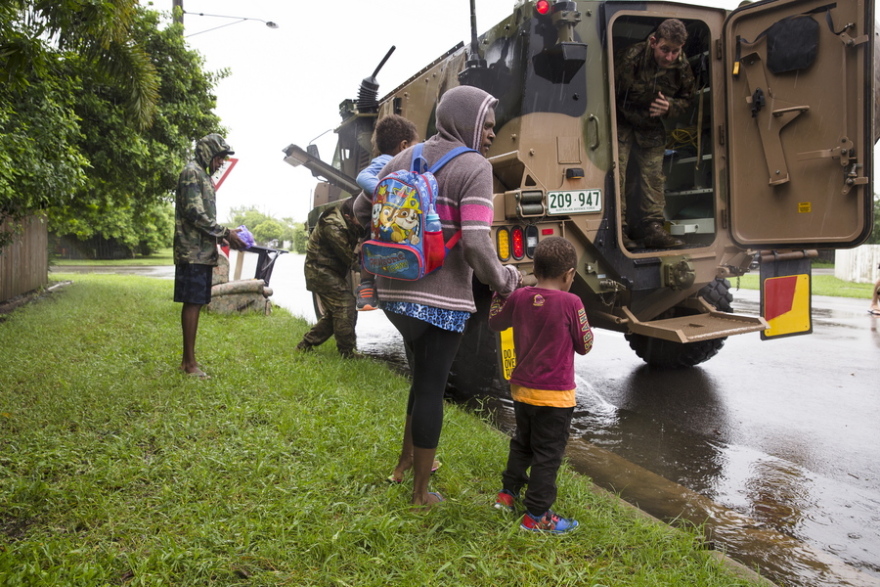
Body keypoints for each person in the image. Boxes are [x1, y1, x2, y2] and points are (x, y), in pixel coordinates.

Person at [353, 85, 520, 508]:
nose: (489, 135)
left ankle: (404, 465)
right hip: (441, 299)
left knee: (420, 379)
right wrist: (505, 280)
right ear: (465, 121)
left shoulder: (401, 158)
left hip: (392, 288)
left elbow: (359, 209)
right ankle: (421, 495)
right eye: (485, 125)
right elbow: (478, 246)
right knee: (431, 388)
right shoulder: (474, 167)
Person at [488, 237, 594, 534]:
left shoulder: (520, 296)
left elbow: (495, 323)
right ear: (569, 274)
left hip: (522, 391)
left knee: (522, 443)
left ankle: (507, 495)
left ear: (535, 268)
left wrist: (499, 292)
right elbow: (585, 345)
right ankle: (536, 514)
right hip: (556, 397)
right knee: (547, 455)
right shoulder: (572, 302)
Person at [615, 18, 695, 250]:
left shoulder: (681, 66)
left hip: (650, 126)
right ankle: (620, 230)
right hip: (621, 121)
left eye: (675, 51)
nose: (670, 57)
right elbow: (611, 89)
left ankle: (653, 229)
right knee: (618, 175)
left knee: (653, 178)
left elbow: (688, 99)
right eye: (665, 49)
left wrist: (671, 107)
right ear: (653, 41)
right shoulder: (631, 58)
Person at [174, 133, 246, 379]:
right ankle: (189, 364)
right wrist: (224, 232)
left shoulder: (202, 175)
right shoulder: (191, 173)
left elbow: (205, 219)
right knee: (192, 303)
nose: (219, 164)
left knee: (196, 302)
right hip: (191, 251)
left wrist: (225, 234)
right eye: (218, 158)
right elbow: (194, 212)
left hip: (201, 251)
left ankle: (188, 361)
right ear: (207, 153)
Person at [355, 115, 420, 311]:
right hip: (380, 214)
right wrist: (386, 192)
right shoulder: (385, 161)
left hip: (392, 218)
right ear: (403, 145)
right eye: (415, 146)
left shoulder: (405, 164)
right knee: (370, 242)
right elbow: (362, 176)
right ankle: (366, 286)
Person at [296, 197, 364, 357]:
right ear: (348, 217)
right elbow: (348, 257)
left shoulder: (347, 218)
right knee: (345, 305)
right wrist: (373, 271)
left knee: (336, 313)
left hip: (329, 270)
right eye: (358, 219)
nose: (361, 221)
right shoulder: (333, 226)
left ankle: (305, 345)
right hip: (320, 271)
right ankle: (347, 353)